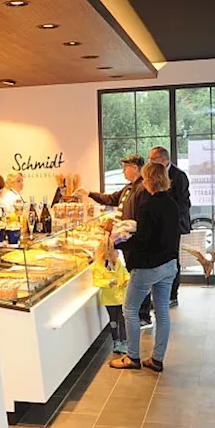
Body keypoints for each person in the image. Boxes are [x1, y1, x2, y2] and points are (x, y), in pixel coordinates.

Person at [109, 162, 180, 371]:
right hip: (169, 265)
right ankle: (157, 359)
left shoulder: (147, 205)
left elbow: (143, 240)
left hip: (148, 267)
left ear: (147, 180)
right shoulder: (171, 204)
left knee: (129, 309)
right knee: (162, 312)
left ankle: (132, 357)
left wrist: (119, 242)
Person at [80, 154, 152, 326]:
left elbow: (140, 219)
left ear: (134, 168)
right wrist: (89, 193)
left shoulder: (142, 189)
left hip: (134, 241)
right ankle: (136, 312)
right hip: (125, 241)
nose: (122, 171)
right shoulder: (129, 188)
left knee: (138, 276)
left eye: (125, 167)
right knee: (133, 274)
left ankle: (143, 315)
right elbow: (111, 199)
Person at [149, 146, 190, 308]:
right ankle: (160, 293)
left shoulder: (178, 176)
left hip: (174, 224)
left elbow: (182, 203)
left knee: (173, 259)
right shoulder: (155, 175)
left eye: (153, 159)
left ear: (164, 159)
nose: (151, 162)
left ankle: (173, 294)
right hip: (160, 224)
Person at [93, 234, 130, 355]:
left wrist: (127, 280)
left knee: (122, 320)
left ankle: (124, 341)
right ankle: (116, 341)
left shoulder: (118, 263)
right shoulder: (98, 267)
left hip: (121, 297)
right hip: (109, 299)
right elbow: (97, 281)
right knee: (113, 321)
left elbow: (125, 273)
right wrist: (109, 282)